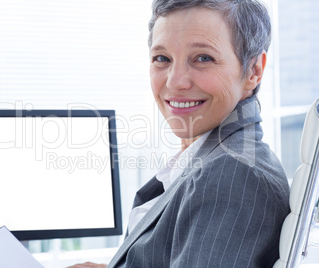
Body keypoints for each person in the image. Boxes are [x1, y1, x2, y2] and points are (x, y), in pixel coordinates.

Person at [70, 0, 290, 267]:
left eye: (203, 58)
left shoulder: (232, 175)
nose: (175, 81)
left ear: (254, 70)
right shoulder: (208, 160)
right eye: (162, 59)